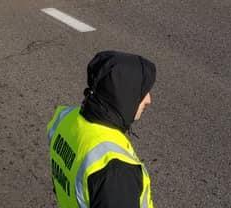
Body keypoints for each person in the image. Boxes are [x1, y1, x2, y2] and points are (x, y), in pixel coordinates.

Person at [47, 50, 156, 208]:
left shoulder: (65, 117)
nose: (148, 100)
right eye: (141, 91)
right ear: (123, 93)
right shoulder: (115, 171)